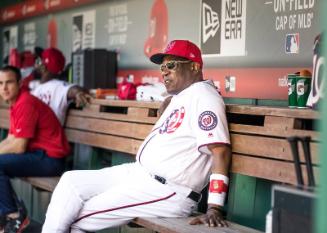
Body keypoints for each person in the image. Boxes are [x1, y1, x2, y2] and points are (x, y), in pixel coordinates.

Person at [42, 40, 231, 233]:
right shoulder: (183, 96)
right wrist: (171, 102)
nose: (164, 71)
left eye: (171, 65)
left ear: (194, 66)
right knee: (70, 182)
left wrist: (214, 207)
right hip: (140, 174)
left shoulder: (205, 97)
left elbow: (220, 151)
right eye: (163, 66)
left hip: (167, 190)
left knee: (78, 217)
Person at [0, 66, 71, 233]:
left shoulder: (26, 102)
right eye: (0, 83)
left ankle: (14, 216)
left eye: (9, 82)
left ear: (19, 82)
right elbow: (11, 139)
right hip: (39, 155)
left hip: (51, 159)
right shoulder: (16, 103)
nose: (4, 88)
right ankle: (6, 215)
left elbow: (18, 146)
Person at [30, 47, 91, 125]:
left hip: (48, 134)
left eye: (39, 61)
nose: (36, 63)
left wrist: (78, 93)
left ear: (43, 66)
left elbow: (73, 89)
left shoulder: (58, 86)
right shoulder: (38, 87)